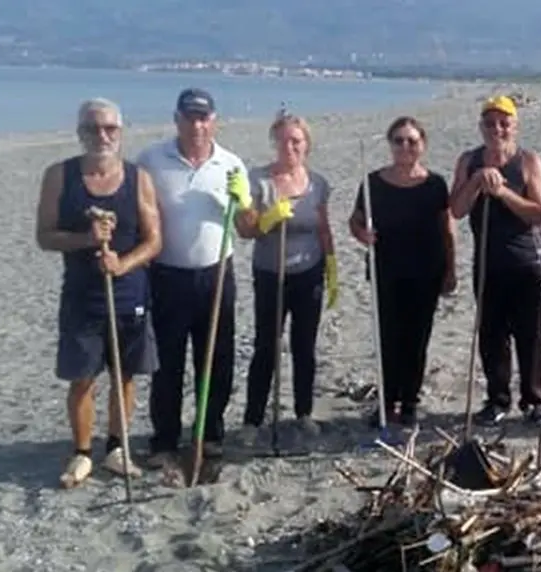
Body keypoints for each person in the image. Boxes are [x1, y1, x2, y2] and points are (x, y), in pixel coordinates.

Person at [35, 98, 163, 488]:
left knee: (124, 376)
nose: (102, 136)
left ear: (120, 133)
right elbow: (44, 236)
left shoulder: (138, 178)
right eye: (93, 129)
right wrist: (84, 239)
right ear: (80, 134)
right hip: (82, 294)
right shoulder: (60, 175)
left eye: (109, 128)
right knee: (83, 377)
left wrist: (123, 264)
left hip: (128, 293)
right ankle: (82, 452)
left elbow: (154, 240)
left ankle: (116, 448)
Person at [134, 88, 253, 469]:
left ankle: (210, 434)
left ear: (214, 121)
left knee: (216, 360)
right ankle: (164, 440)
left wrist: (243, 201)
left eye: (204, 118)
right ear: (177, 120)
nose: (197, 125)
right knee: (167, 362)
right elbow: (138, 217)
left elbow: (249, 228)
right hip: (167, 275)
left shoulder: (231, 165)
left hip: (217, 274)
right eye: (190, 117)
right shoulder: (151, 161)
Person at [448, 95, 541, 426]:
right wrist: (477, 182)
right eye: (490, 123)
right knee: (492, 336)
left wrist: (504, 193)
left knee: (529, 335)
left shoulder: (528, 161)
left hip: (526, 262)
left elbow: (538, 214)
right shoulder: (468, 160)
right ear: (481, 127)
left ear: (515, 126)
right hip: (487, 264)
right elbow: (457, 209)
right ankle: (497, 399)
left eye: (504, 122)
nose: (497, 129)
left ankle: (534, 401)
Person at [348, 116, 456, 427]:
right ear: (390, 144)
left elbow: (446, 229)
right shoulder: (373, 183)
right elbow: (355, 220)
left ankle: (409, 401)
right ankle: (387, 400)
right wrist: (361, 234)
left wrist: (450, 269)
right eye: (399, 140)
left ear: (422, 145)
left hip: (426, 271)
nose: (405, 146)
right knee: (388, 338)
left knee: (416, 339)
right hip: (386, 270)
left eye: (412, 141)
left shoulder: (435, 184)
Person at [239, 111, 339, 444]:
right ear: (274, 142)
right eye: (283, 140)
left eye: (296, 140)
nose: (289, 146)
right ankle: (253, 419)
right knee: (266, 346)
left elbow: (323, 229)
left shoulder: (318, 184)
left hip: (308, 274)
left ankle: (303, 413)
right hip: (270, 274)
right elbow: (246, 230)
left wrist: (332, 267)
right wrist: (267, 219)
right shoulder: (259, 180)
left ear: (306, 144)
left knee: (304, 346)